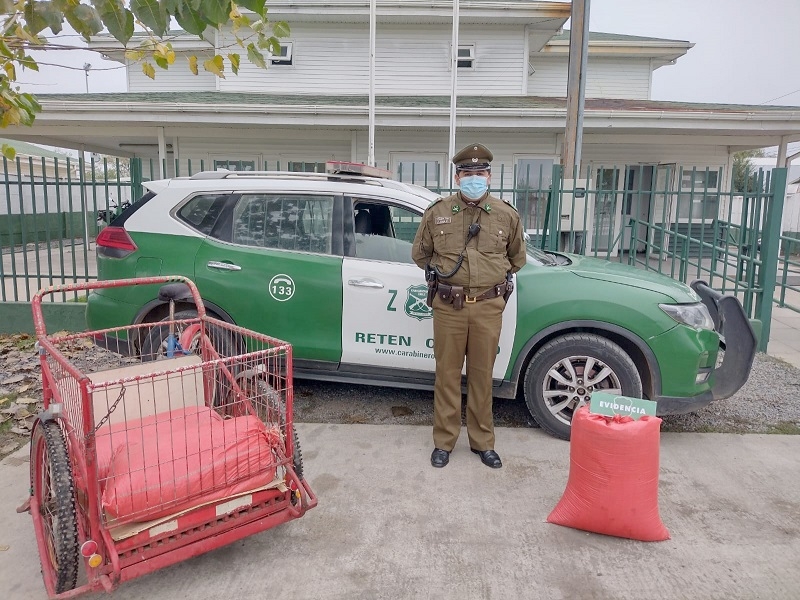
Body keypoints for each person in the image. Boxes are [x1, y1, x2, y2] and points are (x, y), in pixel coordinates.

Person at [412, 143, 526, 469]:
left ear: (490, 176)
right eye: (467, 173)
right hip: (449, 307)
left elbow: (516, 259)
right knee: (446, 375)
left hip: (488, 308)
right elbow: (420, 254)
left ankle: (482, 442)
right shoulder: (438, 213)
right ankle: (444, 441)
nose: (473, 178)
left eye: (480, 173)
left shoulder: (506, 215)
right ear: (457, 176)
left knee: (481, 376)